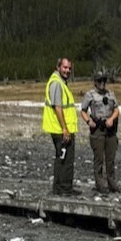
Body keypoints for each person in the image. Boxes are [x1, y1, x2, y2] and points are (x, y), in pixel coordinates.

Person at [80, 70, 121, 193]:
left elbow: (116, 109)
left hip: (110, 129)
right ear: (95, 82)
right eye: (99, 81)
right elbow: (83, 111)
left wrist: (112, 119)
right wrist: (88, 121)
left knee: (111, 158)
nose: (102, 83)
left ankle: (112, 182)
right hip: (97, 128)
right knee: (99, 158)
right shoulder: (90, 95)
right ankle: (100, 183)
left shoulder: (111, 94)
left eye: (104, 80)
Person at [42, 57, 79, 196]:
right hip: (61, 129)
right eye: (65, 67)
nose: (67, 71)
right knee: (66, 160)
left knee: (60, 157)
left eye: (69, 68)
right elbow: (58, 107)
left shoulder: (59, 82)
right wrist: (65, 129)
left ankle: (58, 188)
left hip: (59, 128)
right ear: (58, 67)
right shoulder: (57, 83)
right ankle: (64, 188)